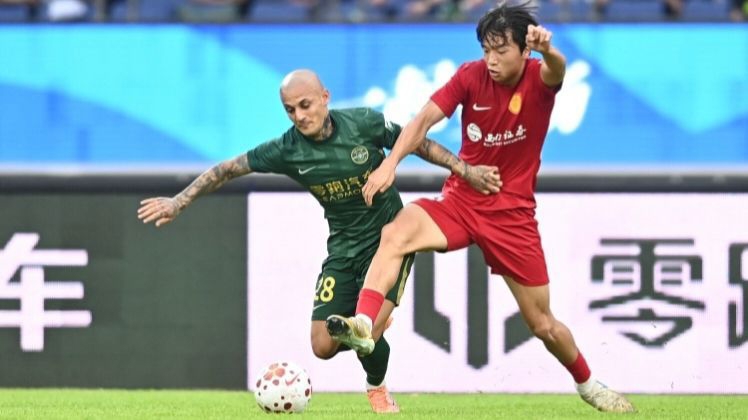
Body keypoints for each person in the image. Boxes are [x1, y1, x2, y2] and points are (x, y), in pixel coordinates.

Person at [325, 3, 636, 413]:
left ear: (525, 50)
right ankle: (364, 324)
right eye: (486, 50)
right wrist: (390, 164)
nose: (491, 60)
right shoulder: (470, 76)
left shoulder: (538, 78)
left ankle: (589, 385)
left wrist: (550, 50)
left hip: (511, 217)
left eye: (501, 51)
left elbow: (556, 70)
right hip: (461, 201)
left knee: (542, 324)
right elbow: (422, 121)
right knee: (396, 232)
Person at [137, 69, 501, 413]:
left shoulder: (363, 123)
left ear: (324, 97)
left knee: (366, 335)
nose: (299, 116)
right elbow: (229, 168)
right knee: (322, 346)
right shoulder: (287, 149)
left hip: (390, 243)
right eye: (290, 109)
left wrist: (465, 170)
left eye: (305, 105)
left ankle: (376, 385)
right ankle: (368, 326)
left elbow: (417, 142)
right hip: (342, 248)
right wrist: (179, 201)